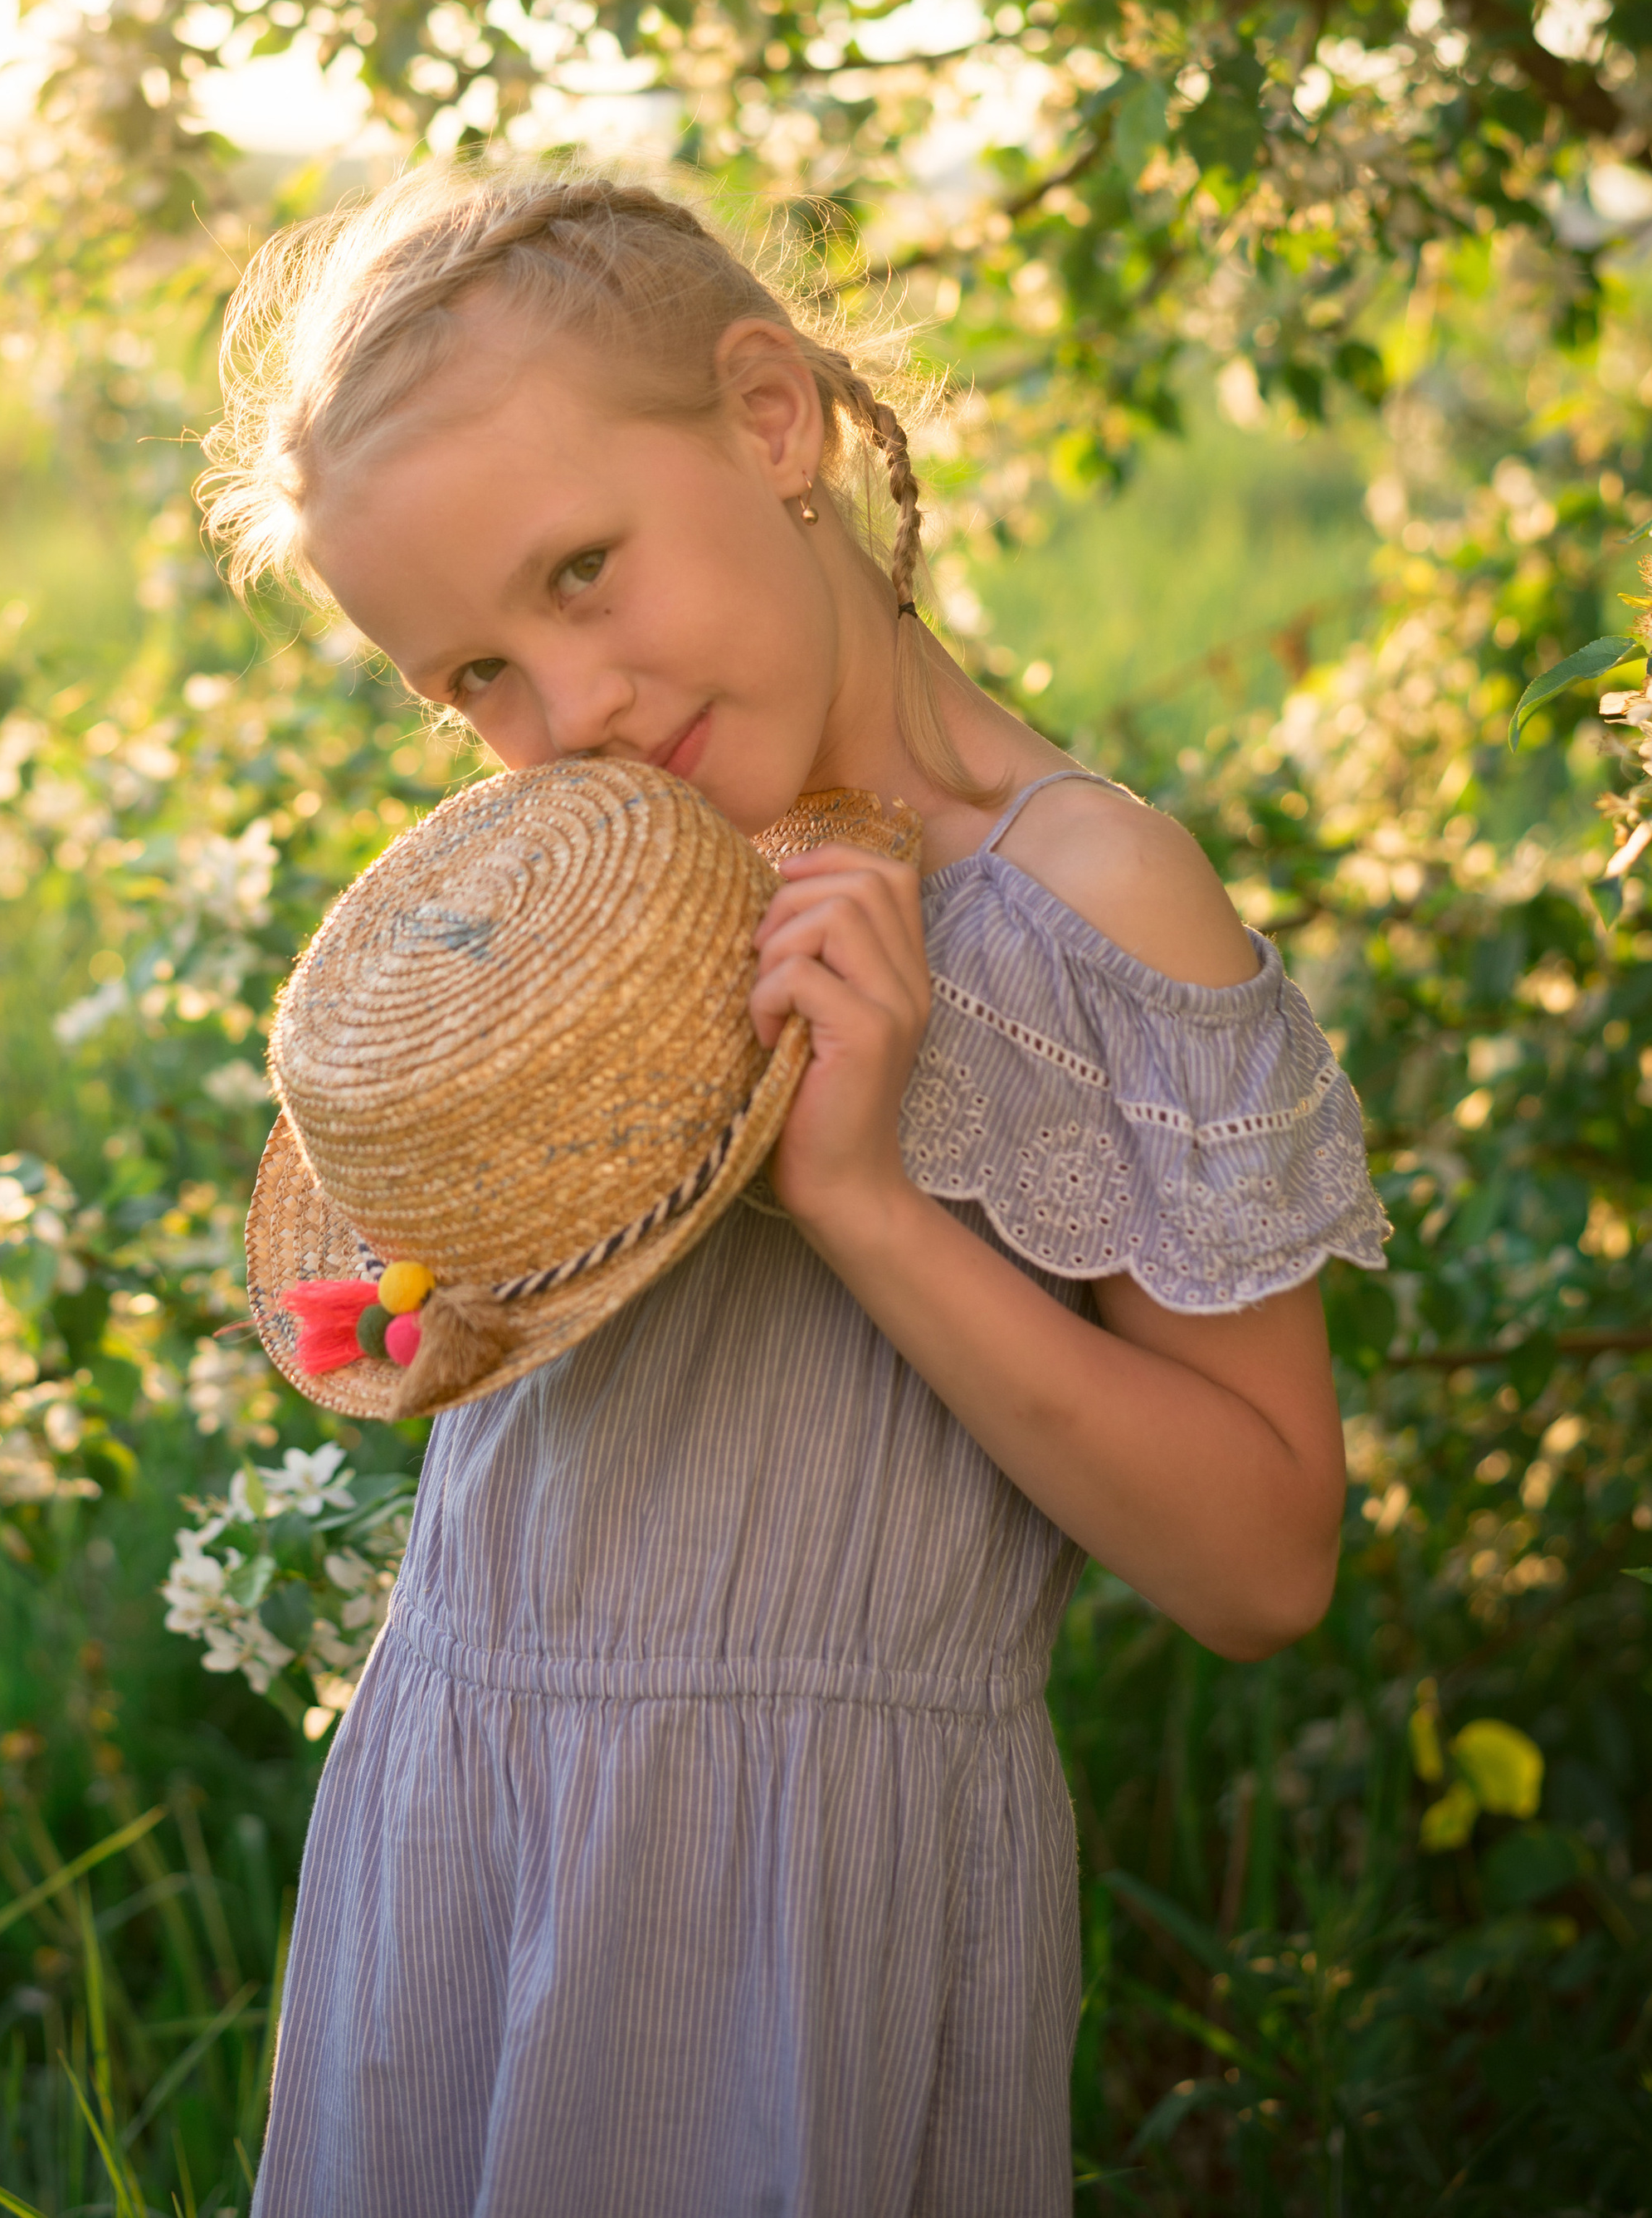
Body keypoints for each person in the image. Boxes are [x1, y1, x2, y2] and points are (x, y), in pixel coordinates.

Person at [198, 168, 1387, 2218]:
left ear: (771, 424)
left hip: (793, 1900)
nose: (563, 714)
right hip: (469, 1826)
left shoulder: (1090, 909)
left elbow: (1261, 1564)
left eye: (581, 573)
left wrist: (868, 1205)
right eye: (467, 677)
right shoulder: (591, 889)